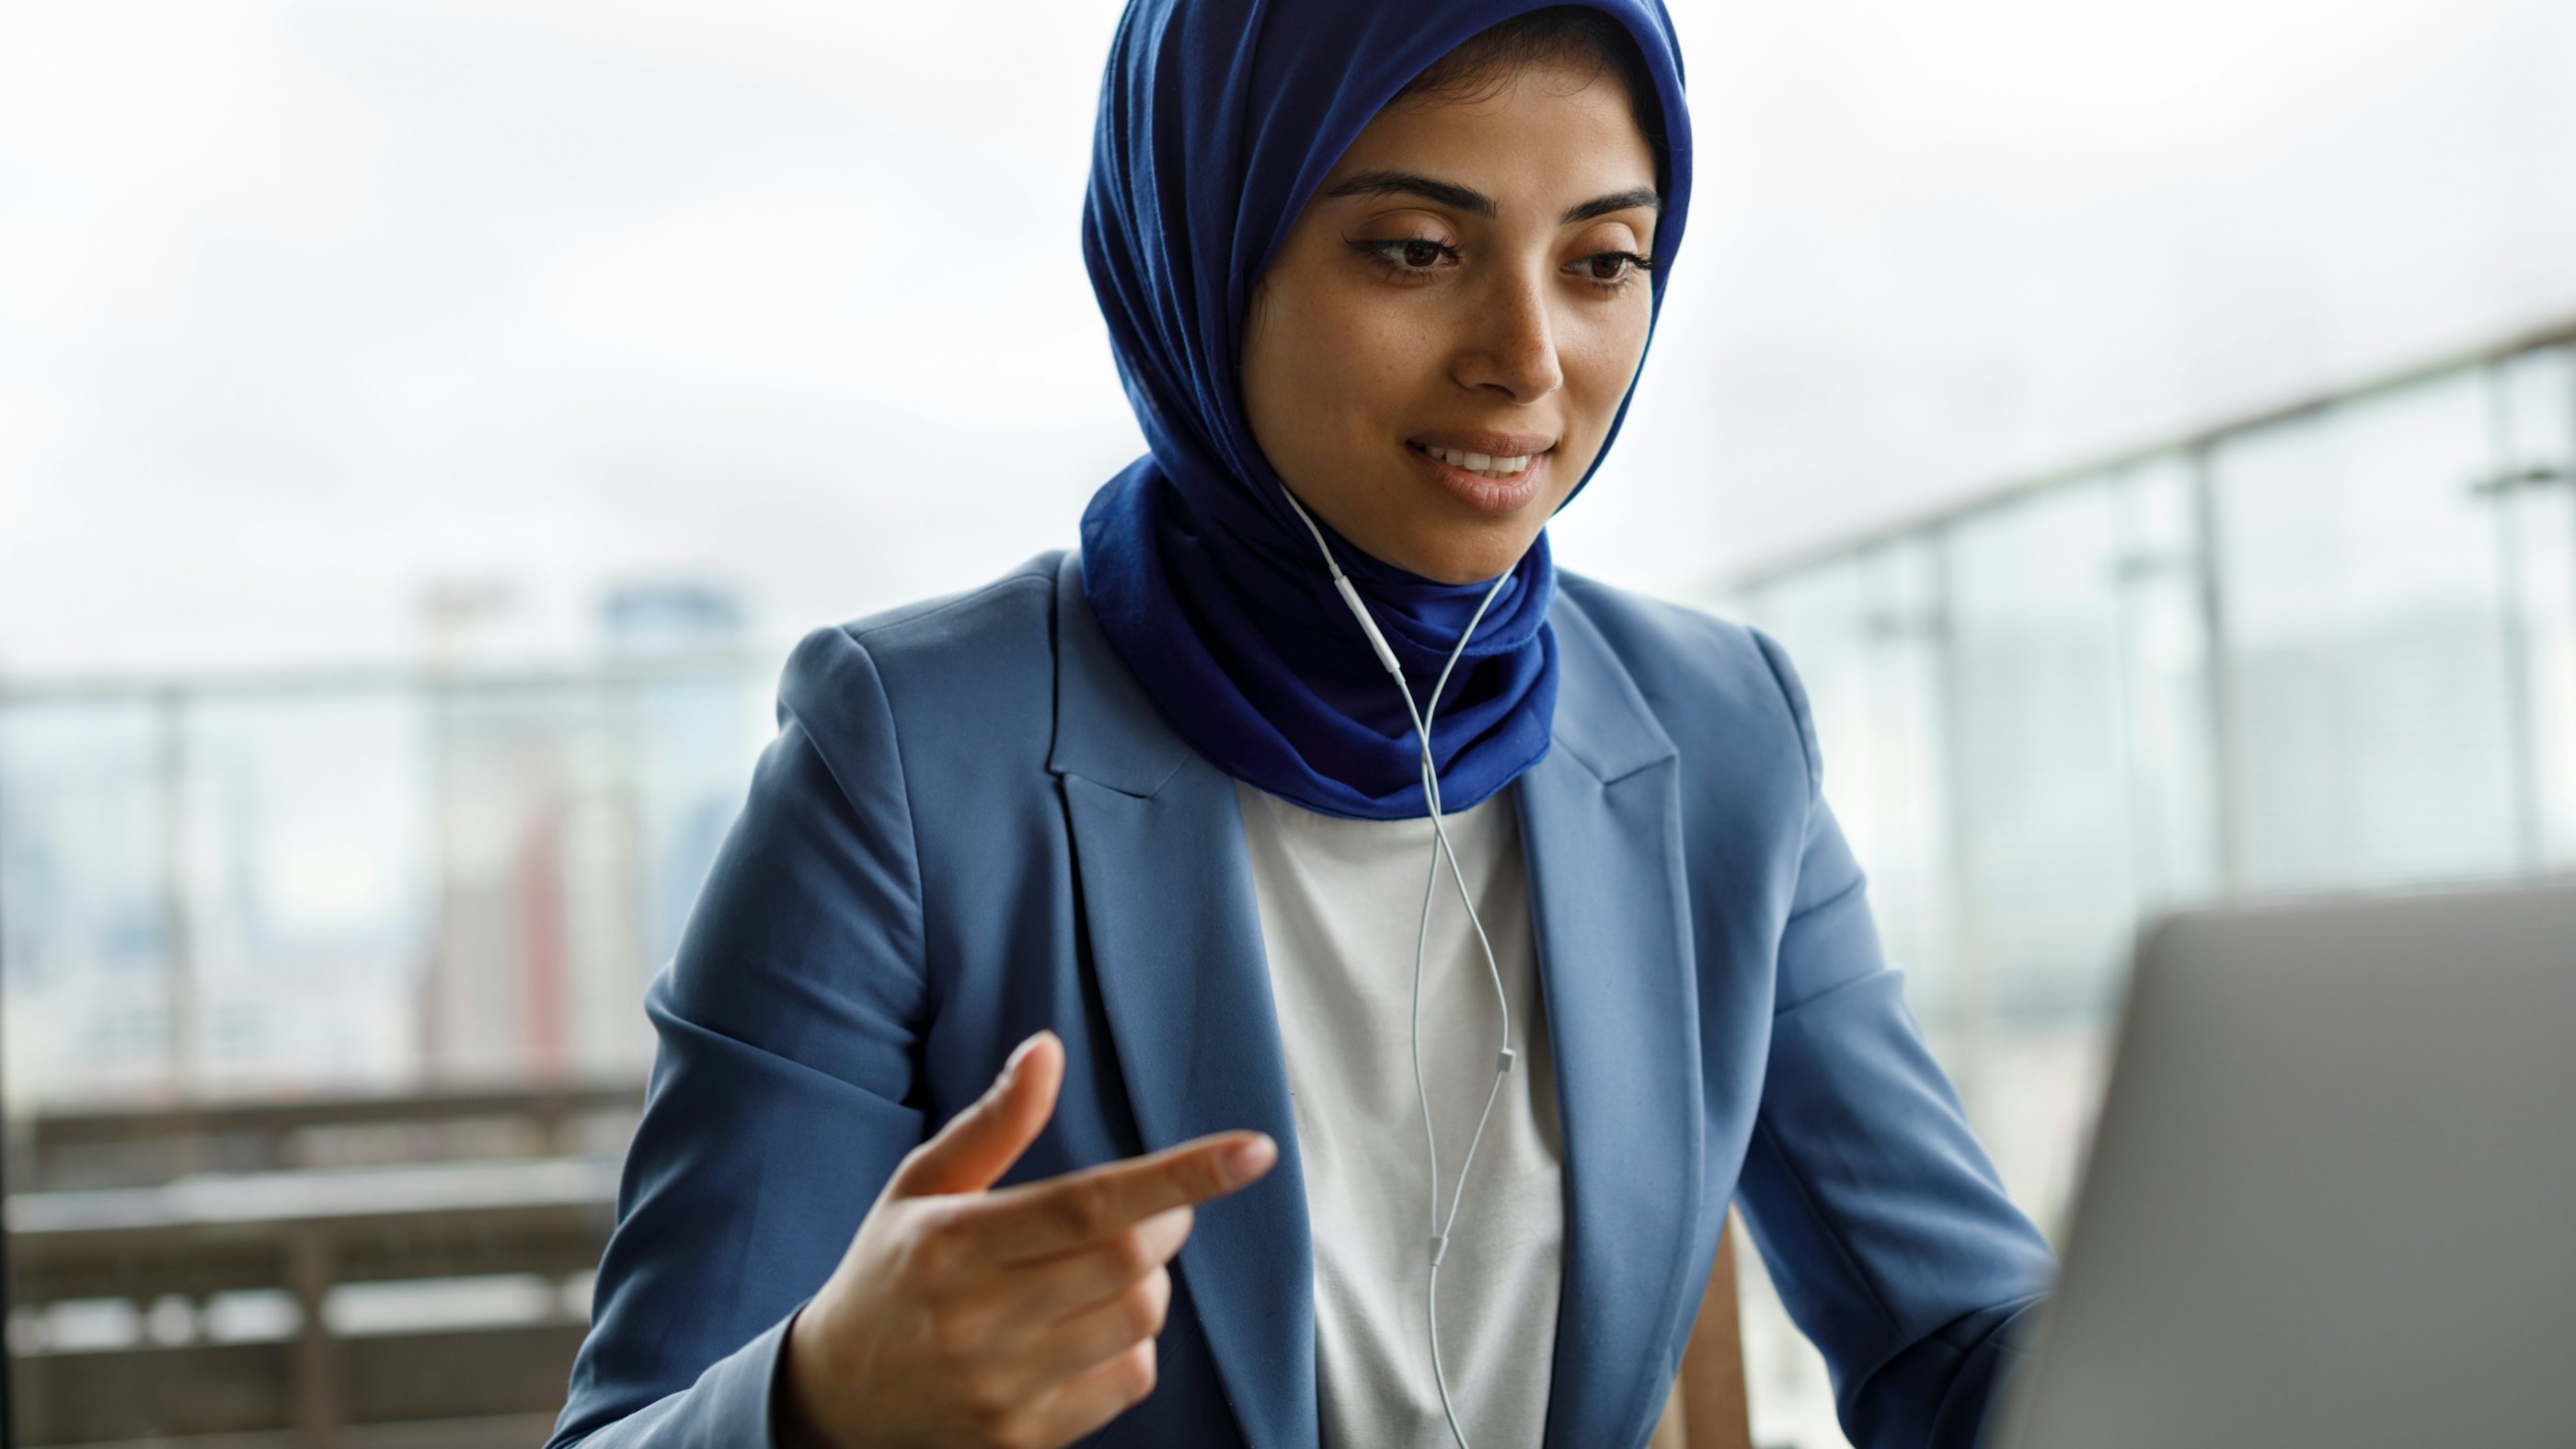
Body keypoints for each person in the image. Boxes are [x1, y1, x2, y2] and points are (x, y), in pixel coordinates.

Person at [546, 1, 2058, 1446]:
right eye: (1415, 250)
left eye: (1601, 264)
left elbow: (1951, 1335)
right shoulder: (905, 760)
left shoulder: (1723, 735)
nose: (1528, 359)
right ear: (1208, 254)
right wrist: (822, 1405)